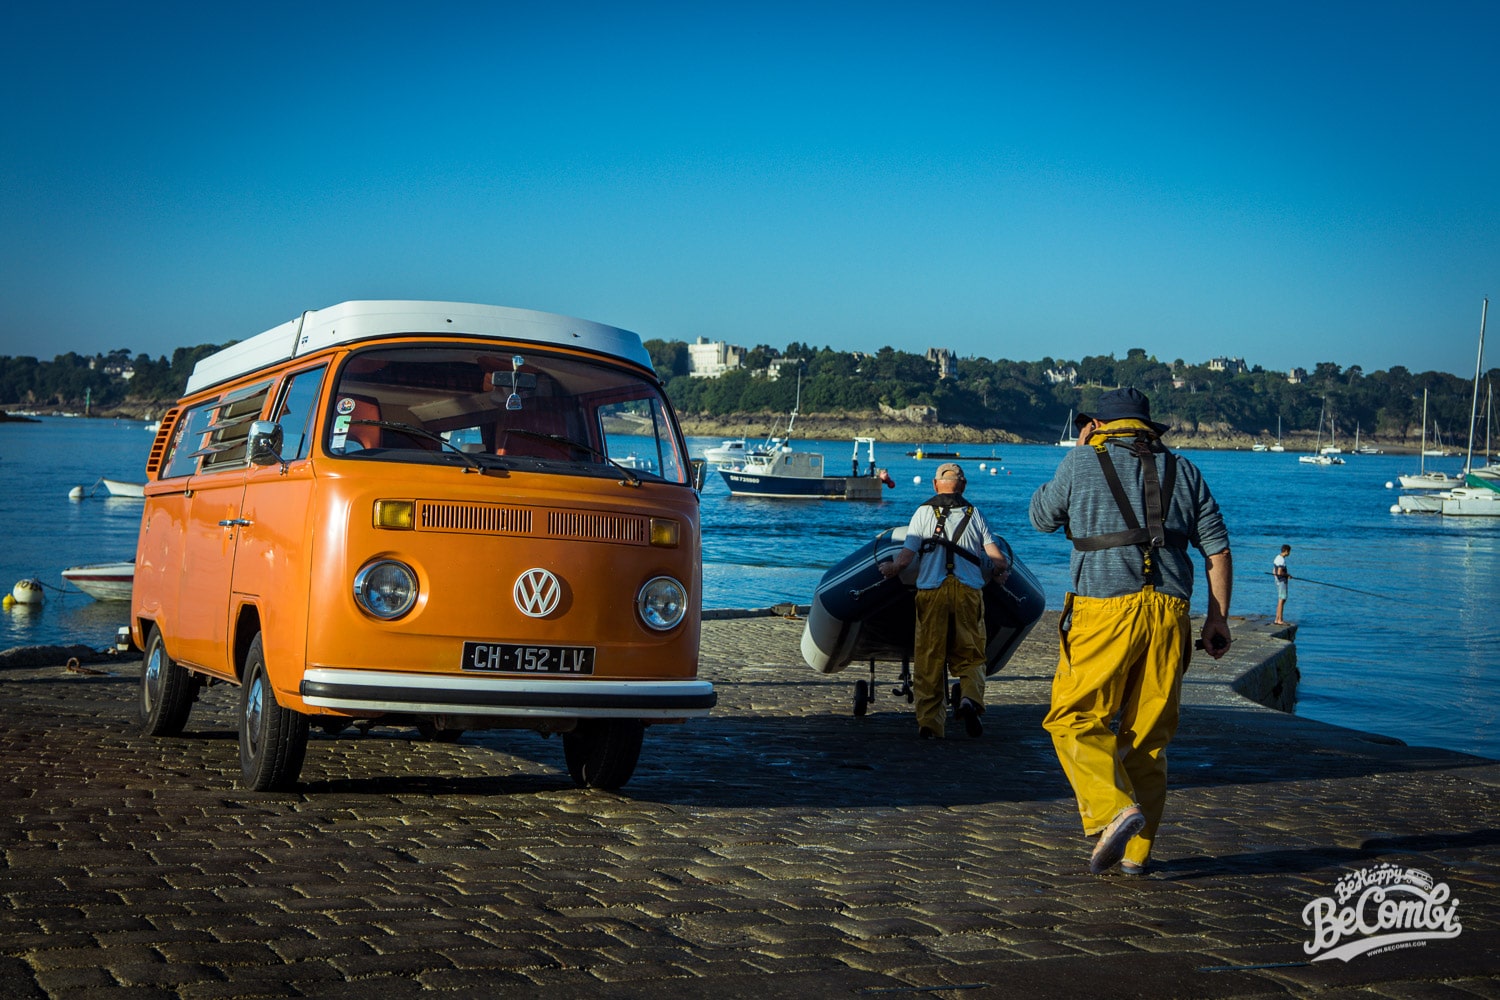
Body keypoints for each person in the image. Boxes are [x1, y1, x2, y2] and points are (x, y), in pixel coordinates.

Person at [1028, 388, 1232, 876]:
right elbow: (1217, 551)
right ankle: (1138, 856)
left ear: (1098, 424)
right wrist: (1217, 618)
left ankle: (1114, 809)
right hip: (1170, 613)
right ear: (1146, 427)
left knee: (1073, 717)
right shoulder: (1185, 470)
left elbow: (1040, 519)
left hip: (1103, 610)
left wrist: (1080, 452)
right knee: (1148, 737)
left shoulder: (1081, 462)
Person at [878, 462, 1009, 739]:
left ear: (935, 484)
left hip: (932, 592)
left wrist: (891, 570)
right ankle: (969, 699)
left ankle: (931, 723)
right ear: (963, 485)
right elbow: (998, 558)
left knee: (929, 658)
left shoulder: (923, 513)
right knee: (972, 654)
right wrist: (1001, 573)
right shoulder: (975, 515)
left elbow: (906, 557)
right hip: (968, 592)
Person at [1272, 545, 1291, 625]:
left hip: (1277, 580)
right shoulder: (1282, 560)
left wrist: (1277, 578)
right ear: (1286, 551)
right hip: (1282, 581)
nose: (1289, 553)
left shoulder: (1277, 557)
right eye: (1289, 551)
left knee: (1281, 599)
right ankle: (1280, 620)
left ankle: (1277, 619)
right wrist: (1287, 575)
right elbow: (1280, 572)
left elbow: (1274, 571)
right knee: (1282, 600)